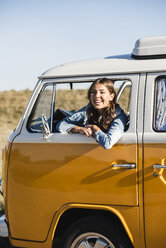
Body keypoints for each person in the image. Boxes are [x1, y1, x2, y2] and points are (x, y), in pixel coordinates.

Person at [56, 78, 128, 149]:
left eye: (102, 92)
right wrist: (79, 129)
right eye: (93, 92)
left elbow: (108, 143)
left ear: (111, 96)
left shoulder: (119, 117)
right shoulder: (87, 110)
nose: (97, 96)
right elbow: (61, 124)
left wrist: (95, 129)